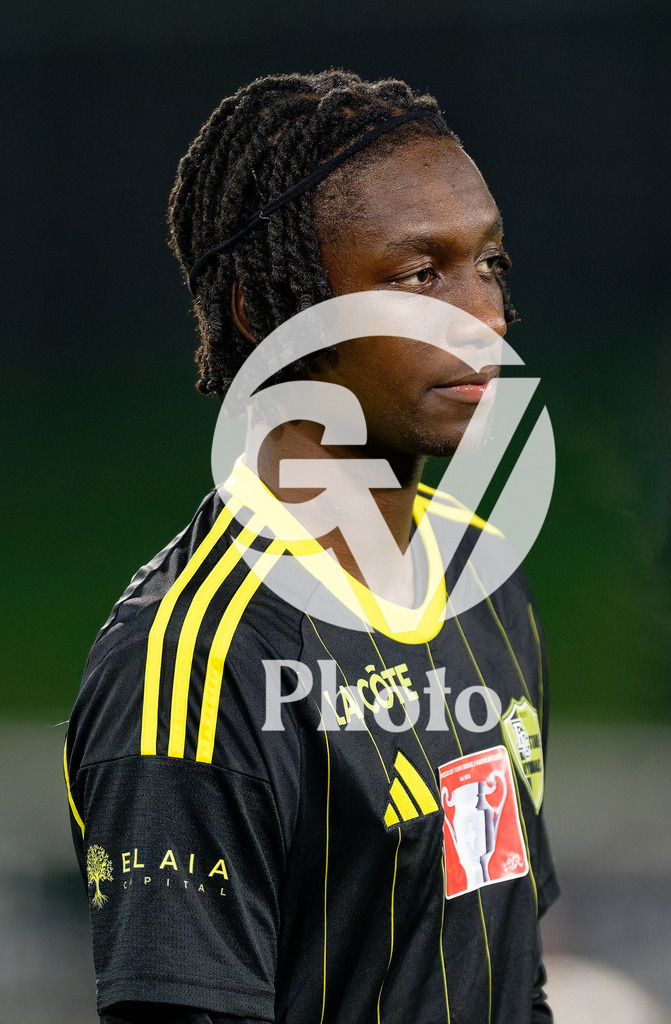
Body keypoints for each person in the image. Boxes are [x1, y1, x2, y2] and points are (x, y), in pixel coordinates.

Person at [65, 71, 559, 1024]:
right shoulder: (193, 669)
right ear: (267, 314)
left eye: (489, 265)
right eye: (420, 276)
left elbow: (507, 978)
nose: (487, 321)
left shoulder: (486, 574)